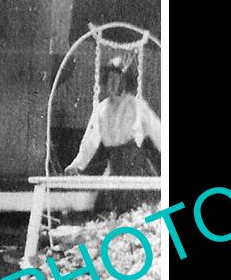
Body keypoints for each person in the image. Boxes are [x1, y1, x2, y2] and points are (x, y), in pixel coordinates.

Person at [64, 55, 162, 214]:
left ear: (125, 81)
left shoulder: (136, 105)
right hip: (114, 164)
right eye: (110, 78)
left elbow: (158, 133)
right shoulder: (101, 109)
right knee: (106, 210)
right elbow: (90, 141)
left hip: (135, 166)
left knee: (138, 212)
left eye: (117, 78)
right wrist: (77, 164)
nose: (113, 82)